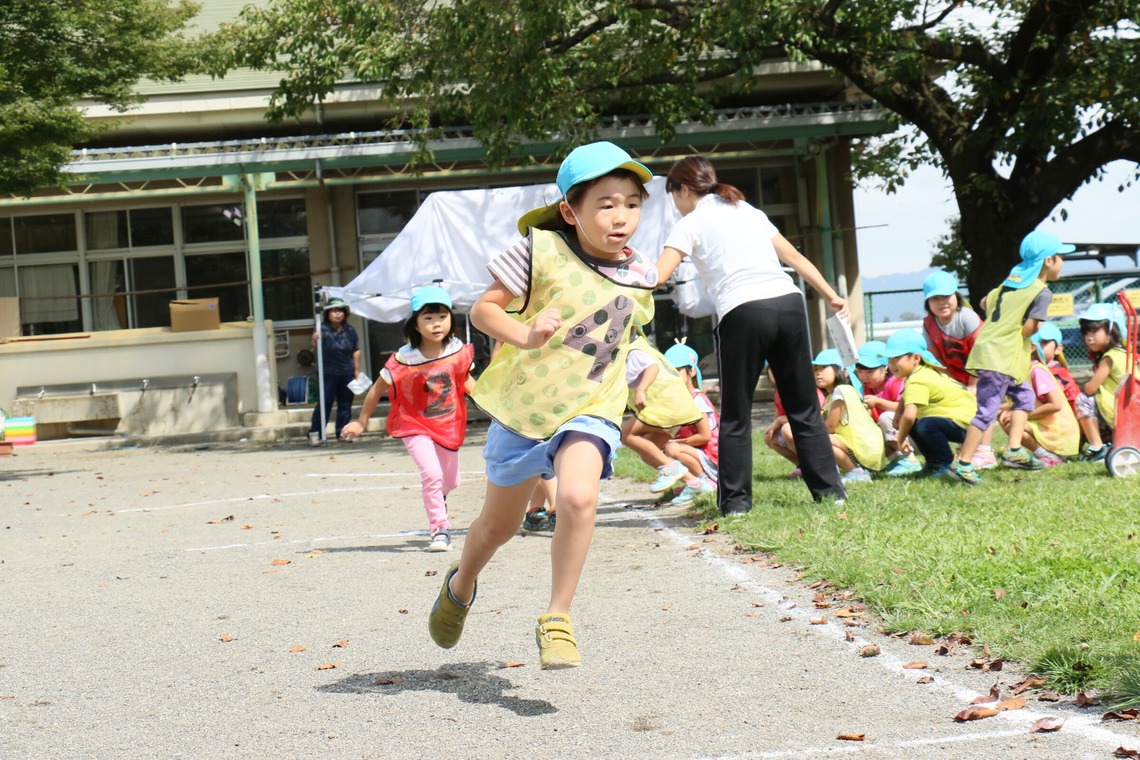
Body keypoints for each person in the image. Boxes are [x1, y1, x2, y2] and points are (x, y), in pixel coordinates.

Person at [426, 141, 657, 670]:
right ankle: (461, 584)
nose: (621, 216)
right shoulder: (539, 250)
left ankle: (557, 617)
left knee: (577, 497)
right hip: (525, 410)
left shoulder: (641, 273)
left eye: (631, 204)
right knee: (497, 527)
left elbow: (627, 335)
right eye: (605, 204)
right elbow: (483, 311)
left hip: (592, 406)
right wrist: (526, 335)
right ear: (571, 211)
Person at [656, 155, 848, 512]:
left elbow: (659, 276)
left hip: (743, 310)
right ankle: (831, 495)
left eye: (674, 197)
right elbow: (794, 258)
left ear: (683, 189)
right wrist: (832, 295)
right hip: (789, 304)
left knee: (735, 416)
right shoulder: (747, 210)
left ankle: (736, 504)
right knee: (804, 408)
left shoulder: (691, 223)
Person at [340, 286, 475, 552]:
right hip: (414, 424)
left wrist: (496, 409)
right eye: (428, 318)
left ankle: (440, 496)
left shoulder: (457, 350)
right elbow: (376, 389)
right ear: (415, 323)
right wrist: (360, 423)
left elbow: (469, 383)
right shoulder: (404, 357)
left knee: (450, 481)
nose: (436, 324)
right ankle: (440, 529)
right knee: (432, 474)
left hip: (449, 425)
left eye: (442, 316)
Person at [949, 230, 1076, 485]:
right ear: (1048, 260)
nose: (1062, 262)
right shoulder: (1041, 291)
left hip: (996, 354)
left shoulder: (1009, 285)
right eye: (1060, 256)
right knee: (986, 411)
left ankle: (1014, 450)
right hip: (1001, 358)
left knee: (1025, 397)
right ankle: (963, 463)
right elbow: (1029, 329)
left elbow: (984, 302)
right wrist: (1028, 326)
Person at [921, 270, 996, 468]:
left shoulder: (967, 317)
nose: (941, 302)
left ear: (956, 296)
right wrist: (950, 382)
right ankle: (966, 449)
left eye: (946, 296)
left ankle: (985, 452)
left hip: (983, 369)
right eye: (935, 298)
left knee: (983, 404)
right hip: (955, 374)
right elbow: (935, 357)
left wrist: (973, 384)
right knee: (961, 408)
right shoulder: (928, 324)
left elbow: (980, 352)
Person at [885, 329, 978, 477]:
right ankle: (933, 463)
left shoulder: (918, 380)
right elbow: (907, 396)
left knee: (925, 424)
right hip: (965, 423)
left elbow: (909, 416)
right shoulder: (921, 372)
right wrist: (898, 412)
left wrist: (900, 440)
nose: (891, 364)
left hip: (966, 427)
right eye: (889, 359)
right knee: (919, 423)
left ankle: (946, 463)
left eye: (896, 358)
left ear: (916, 358)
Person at [619, 332, 702, 496]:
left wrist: (641, 390)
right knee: (650, 453)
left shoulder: (634, 350)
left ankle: (671, 468)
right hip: (671, 408)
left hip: (665, 407)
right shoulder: (634, 349)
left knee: (625, 433)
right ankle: (695, 483)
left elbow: (652, 367)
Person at [787, 349, 886, 484]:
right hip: (864, 448)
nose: (818, 373)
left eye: (824, 368)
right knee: (815, 436)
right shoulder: (835, 394)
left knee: (818, 437)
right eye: (816, 369)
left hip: (865, 449)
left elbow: (830, 427)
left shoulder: (841, 390)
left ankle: (856, 472)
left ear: (843, 371)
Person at [998, 337, 1080, 466]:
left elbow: (1055, 405)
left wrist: (1022, 416)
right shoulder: (1021, 371)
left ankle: (1047, 456)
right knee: (1006, 417)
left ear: (1032, 348)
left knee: (1013, 421)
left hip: (1060, 433)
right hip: (1048, 427)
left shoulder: (1037, 371)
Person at [661, 343, 719, 507]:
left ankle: (704, 482)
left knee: (672, 448)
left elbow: (705, 436)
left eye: (677, 371)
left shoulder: (697, 400)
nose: (672, 376)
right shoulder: (682, 401)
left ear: (692, 372)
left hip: (713, 457)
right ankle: (693, 481)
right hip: (699, 453)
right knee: (660, 447)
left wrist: (676, 442)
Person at [1075, 302, 1133, 461]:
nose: (1089, 338)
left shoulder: (1109, 358)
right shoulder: (1124, 353)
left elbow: (1091, 389)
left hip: (1117, 410)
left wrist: (1085, 385)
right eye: (1086, 333)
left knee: (1083, 400)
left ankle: (1097, 447)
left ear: (1112, 330)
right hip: (1129, 408)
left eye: (1094, 332)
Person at [854, 340, 921, 476]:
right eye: (860, 372)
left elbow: (906, 409)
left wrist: (879, 402)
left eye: (869, 372)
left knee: (885, 417)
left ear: (885, 368)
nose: (864, 377)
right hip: (895, 437)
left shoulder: (895, 382)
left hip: (914, 437)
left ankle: (909, 459)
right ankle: (897, 460)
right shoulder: (865, 389)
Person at [308, 297, 360, 446]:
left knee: (345, 405)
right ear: (328, 313)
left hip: (346, 372)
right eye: (334, 311)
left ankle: (343, 433)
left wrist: (357, 370)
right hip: (327, 373)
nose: (337, 314)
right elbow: (314, 344)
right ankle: (315, 434)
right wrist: (314, 339)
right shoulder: (322, 327)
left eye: (340, 311)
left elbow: (356, 350)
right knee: (324, 404)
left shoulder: (350, 330)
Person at [1031, 321, 1080, 416]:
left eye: (1044, 343)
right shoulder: (1036, 369)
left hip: (1064, 418)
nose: (1038, 347)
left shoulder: (1057, 373)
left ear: (1058, 349)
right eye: (1033, 343)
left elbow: (1055, 403)